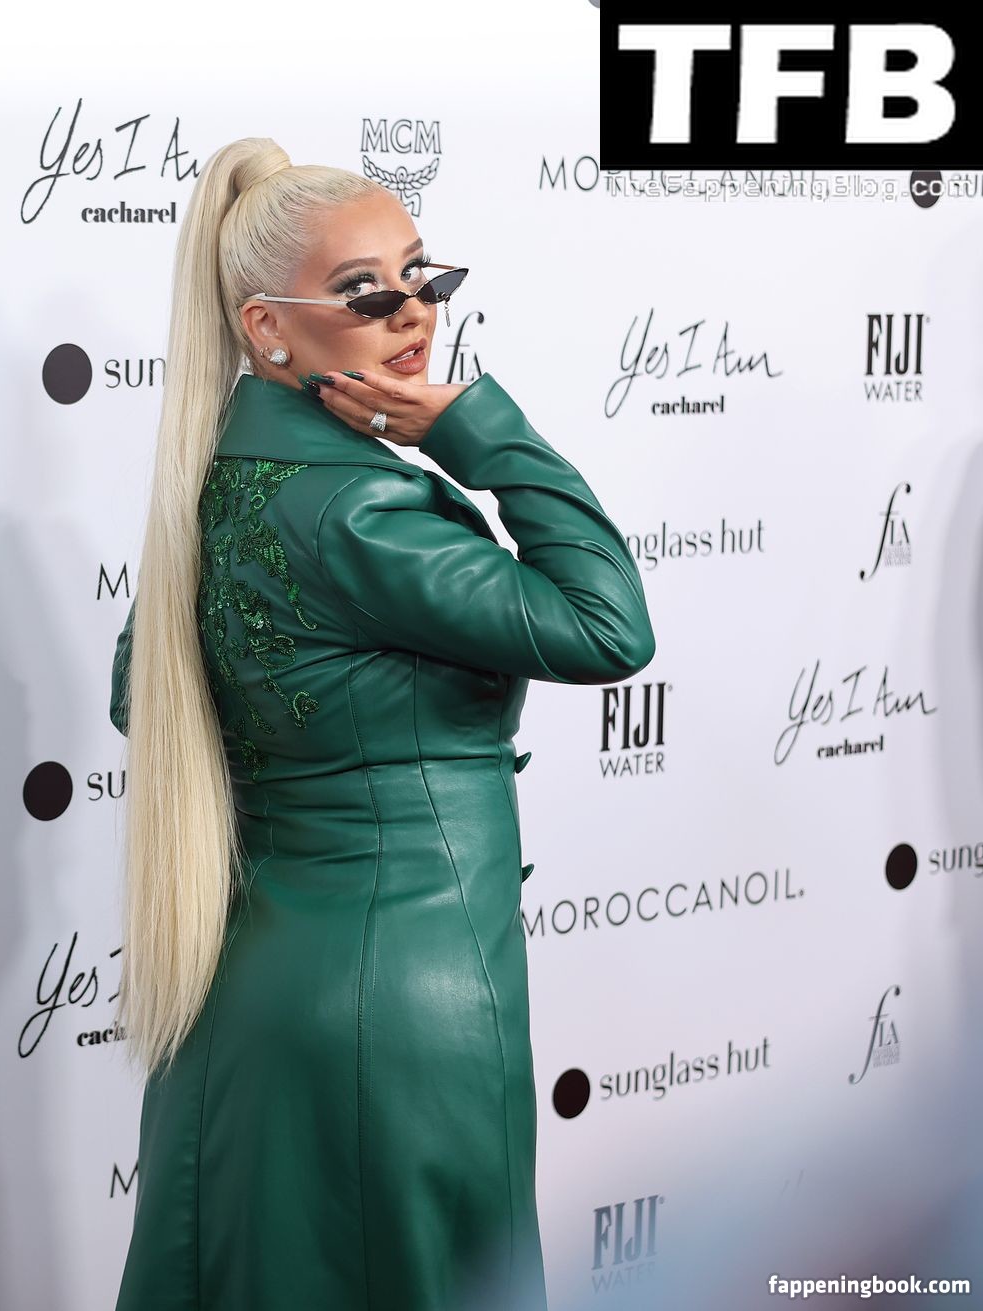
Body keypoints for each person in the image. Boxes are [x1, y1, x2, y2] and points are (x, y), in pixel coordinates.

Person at [106, 137, 656, 1310]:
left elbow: (134, 692)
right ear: (267, 330)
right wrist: (477, 428)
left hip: (241, 1003)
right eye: (365, 295)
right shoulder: (362, 512)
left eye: (422, 277)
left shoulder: (214, 487)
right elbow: (608, 626)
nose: (413, 314)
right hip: (400, 1012)